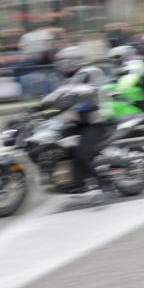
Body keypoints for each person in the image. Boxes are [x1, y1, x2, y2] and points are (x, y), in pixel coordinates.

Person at [50, 49, 115, 204]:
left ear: (76, 61)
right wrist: (37, 109)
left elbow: (74, 97)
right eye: (60, 64)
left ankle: (105, 185)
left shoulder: (89, 72)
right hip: (81, 121)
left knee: (82, 152)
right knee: (60, 142)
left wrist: (53, 110)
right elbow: (57, 96)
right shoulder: (72, 78)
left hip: (97, 120)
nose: (62, 67)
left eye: (65, 63)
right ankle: (77, 180)